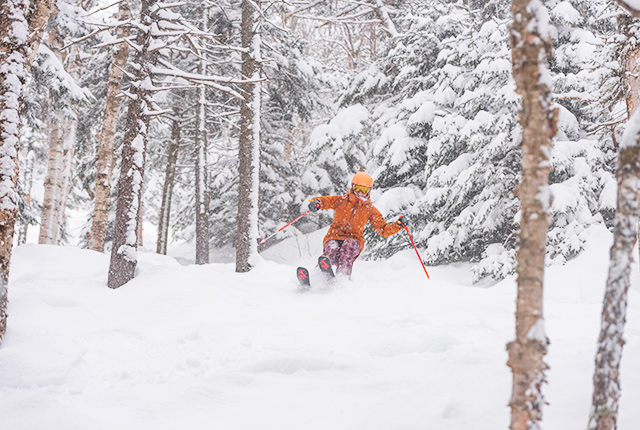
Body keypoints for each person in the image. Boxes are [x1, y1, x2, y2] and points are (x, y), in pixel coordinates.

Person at [308, 172, 408, 278]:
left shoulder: (369, 210)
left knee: (348, 246)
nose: (360, 192)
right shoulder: (340, 201)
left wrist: (398, 225)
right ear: (352, 187)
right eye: (357, 188)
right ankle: (317, 276)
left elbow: (383, 230)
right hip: (334, 236)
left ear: (369, 191)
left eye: (364, 190)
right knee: (332, 248)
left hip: (354, 240)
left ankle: (343, 277)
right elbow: (325, 201)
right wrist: (317, 203)